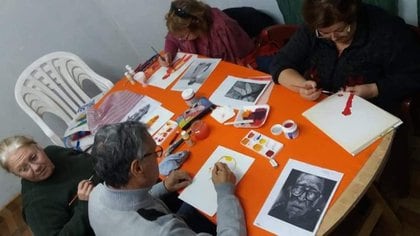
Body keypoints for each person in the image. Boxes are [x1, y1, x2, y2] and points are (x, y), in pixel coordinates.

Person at [269, 0, 420, 197]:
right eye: (324, 33)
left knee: (361, 175)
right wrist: (300, 85)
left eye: (341, 30)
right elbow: (280, 64)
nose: (333, 38)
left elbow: (414, 75)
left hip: (373, 110)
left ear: (353, 15)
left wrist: (373, 89)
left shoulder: (387, 30)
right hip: (322, 107)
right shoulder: (315, 28)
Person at [88, 121, 246, 236]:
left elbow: (130, 201)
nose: (158, 157)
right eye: (154, 152)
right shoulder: (162, 231)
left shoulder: (97, 194)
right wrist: (225, 192)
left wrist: (164, 186)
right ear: (137, 168)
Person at [0, 135, 95, 236]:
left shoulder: (53, 152)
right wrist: (84, 206)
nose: (36, 167)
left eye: (33, 157)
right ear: (18, 175)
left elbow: (89, 160)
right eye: (24, 169)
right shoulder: (36, 207)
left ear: (39, 147)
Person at [160, 0, 255, 66]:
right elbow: (172, 39)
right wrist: (168, 53)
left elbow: (245, 57)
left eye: (184, 36)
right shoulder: (182, 27)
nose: (180, 39)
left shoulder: (223, 28)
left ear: (198, 25)